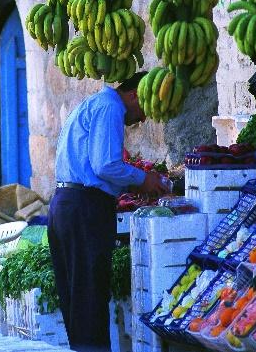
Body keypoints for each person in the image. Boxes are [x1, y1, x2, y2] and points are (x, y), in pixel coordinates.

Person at [48, 73, 169, 352]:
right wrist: (144, 179)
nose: (142, 120)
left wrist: (130, 181)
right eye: (144, 111)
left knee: (78, 297)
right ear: (134, 95)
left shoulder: (96, 104)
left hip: (68, 204)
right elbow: (105, 165)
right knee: (89, 295)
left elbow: (98, 164)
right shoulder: (110, 107)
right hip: (84, 207)